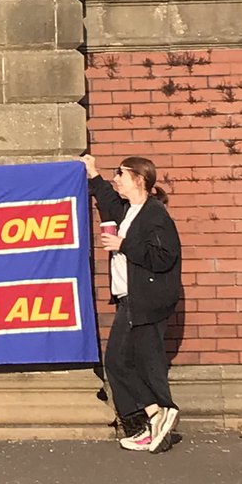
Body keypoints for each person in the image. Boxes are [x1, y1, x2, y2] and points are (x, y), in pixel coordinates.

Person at [82, 153, 183, 453]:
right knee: (122, 361)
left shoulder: (155, 215)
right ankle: (152, 421)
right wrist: (93, 175)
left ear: (139, 179)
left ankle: (158, 412)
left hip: (147, 302)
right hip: (131, 300)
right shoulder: (129, 211)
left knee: (134, 362)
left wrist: (124, 245)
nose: (116, 179)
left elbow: (164, 258)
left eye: (120, 174)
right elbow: (109, 203)